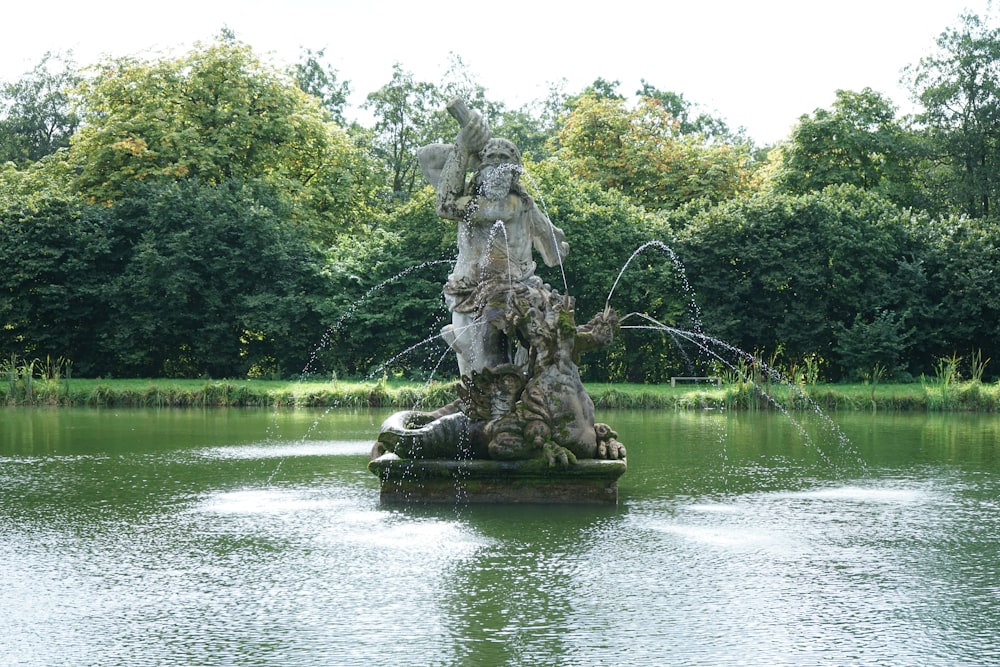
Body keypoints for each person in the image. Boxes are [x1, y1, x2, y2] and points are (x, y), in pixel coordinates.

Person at [418, 108, 568, 377]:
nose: (498, 165)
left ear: (514, 172)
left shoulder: (520, 205)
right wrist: (465, 146)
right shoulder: (475, 203)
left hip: (519, 293)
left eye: (505, 160)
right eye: (492, 160)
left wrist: (553, 238)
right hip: (473, 294)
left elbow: (554, 255)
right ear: (481, 168)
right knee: (480, 379)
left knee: (517, 370)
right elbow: (427, 159)